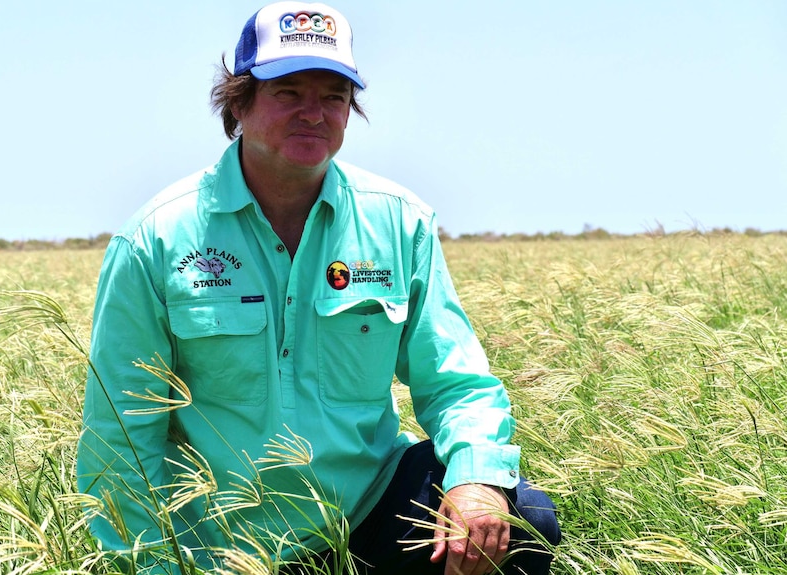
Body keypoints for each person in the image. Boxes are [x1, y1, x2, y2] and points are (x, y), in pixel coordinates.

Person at [76, 2, 561, 574]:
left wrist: (478, 483)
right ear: (239, 101)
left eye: (333, 96)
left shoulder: (399, 223)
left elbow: (456, 383)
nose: (314, 113)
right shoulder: (156, 239)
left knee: (520, 518)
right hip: (225, 542)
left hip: (368, 508)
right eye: (288, 92)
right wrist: (158, 566)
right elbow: (121, 436)